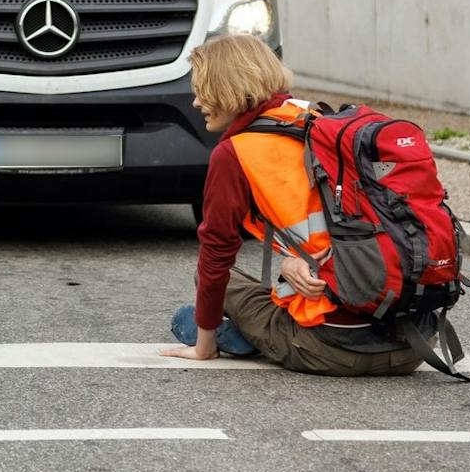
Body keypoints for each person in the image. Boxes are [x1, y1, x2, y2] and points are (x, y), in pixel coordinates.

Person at [161, 34, 424, 375]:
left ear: (227, 89)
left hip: (332, 349)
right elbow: (347, 223)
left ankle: (233, 338)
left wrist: (204, 348)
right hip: (413, 344)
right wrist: (291, 260)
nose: (196, 102)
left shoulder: (236, 153)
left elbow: (216, 255)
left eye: (203, 90)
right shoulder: (321, 119)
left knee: (197, 306)